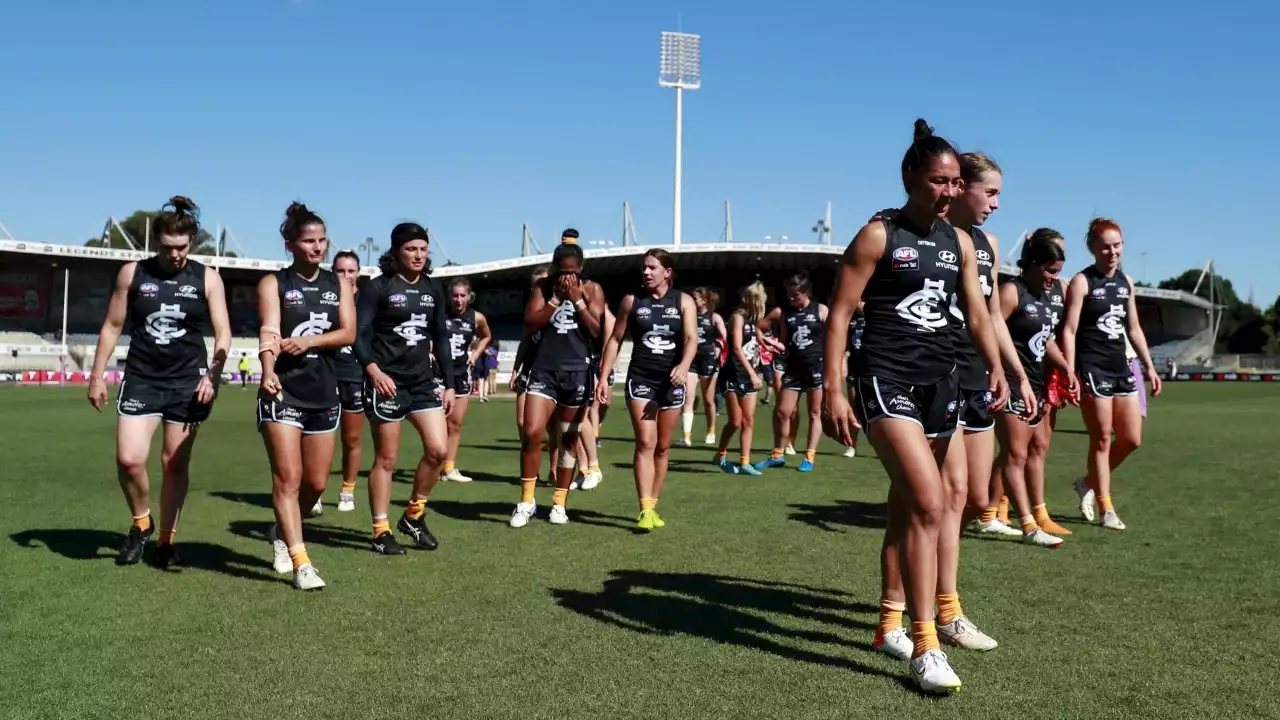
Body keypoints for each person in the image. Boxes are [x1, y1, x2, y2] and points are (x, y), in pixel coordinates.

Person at [821, 119, 1012, 694]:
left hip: (942, 385)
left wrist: (997, 366)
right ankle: (927, 647)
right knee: (931, 504)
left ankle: (888, 624)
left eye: (954, 182)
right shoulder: (879, 236)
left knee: (910, 505)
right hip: (886, 380)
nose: (948, 191)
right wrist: (833, 389)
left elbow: (978, 315)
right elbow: (840, 312)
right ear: (909, 178)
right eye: (937, 181)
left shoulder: (958, 243)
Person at [87, 196, 232, 568]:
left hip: (188, 382)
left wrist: (212, 376)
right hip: (141, 378)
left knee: (174, 463)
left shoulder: (207, 277)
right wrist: (97, 375)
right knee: (129, 458)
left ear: (192, 243)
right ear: (156, 243)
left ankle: (167, 541)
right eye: (168, 247)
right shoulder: (132, 273)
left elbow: (223, 334)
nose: (176, 254)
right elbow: (113, 325)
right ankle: (142, 522)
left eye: (182, 247)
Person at [256, 203, 355, 589]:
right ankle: (301, 561)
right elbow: (268, 330)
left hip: (323, 391)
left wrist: (309, 341)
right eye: (308, 241)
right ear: (290, 244)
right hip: (282, 391)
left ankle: (281, 530)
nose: (318, 247)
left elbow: (347, 333)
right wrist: (267, 371)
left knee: (315, 484)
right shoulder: (274, 283)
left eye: (322, 240)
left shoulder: (339, 284)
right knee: (289, 478)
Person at [354, 222, 456, 554]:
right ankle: (380, 531)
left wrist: (450, 384)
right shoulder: (377, 287)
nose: (419, 255)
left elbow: (441, 338)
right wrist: (373, 371)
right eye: (412, 249)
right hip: (387, 384)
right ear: (397, 251)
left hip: (423, 383)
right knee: (387, 458)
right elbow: (359, 334)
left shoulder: (433, 289)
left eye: (424, 249)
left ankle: (413, 515)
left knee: (439, 451)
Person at [1061, 218, 1162, 531]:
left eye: (1117, 244)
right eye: (1105, 245)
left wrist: (1149, 365)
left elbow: (1133, 328)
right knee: (1101, 438)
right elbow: (1070, 328)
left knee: (1131, 439)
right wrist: (1069, 369)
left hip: (1121, 367)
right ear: (1092, 247)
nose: (1112, 251)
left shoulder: (1126, 282)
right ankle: (1106, 507)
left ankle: (1087, 483)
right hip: (1093, 367)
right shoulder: (1082, 281)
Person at [510, 230, 606, 528]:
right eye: (561, 271)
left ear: (580, 270)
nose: (566, 277)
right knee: (532, 432)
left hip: (577, 371)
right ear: (553, 267)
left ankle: (559, 503)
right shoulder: (543, 288)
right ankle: (526, 501)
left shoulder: (592, 290)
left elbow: (596, 331)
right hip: (543, 370)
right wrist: (554, 299)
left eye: (572, 272)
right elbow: (530, 323)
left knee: (567, 440)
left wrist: (577, 301)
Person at [597, 249, 697, 530]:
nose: (646, 272)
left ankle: (653, 505)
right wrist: (603, 377)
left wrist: (684, 366)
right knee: (645, 442)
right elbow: (615, 339)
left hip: (672, 383)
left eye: (653, 267)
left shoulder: (683, 301)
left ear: (668, 272)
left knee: (663, 448)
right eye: (644, 267)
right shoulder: (632, 301)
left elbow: (691, 339)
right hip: (641, 379)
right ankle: (644, 509)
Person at [992, 232, 1068, 549]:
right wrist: (995, 372)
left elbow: (1045, 338)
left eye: (1058, 272)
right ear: (1034, 264)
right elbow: (990, 327)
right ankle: (1028, 524)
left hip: (1033, 385)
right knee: (1016, 454)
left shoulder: (1046, 297)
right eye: (1050, 271)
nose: (1054, 279)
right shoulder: (1012, 292)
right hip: (1009, 383)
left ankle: (987, 512)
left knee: (1020, 452)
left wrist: (1065, 366)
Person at [756, 273, 827, 472]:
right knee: (782, 412)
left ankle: (809, 456)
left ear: (805, 294)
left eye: (795, 295)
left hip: (816, 366)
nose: (791, 299)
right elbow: (762, 327)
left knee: (815, 413)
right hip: (793, 367)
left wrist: (837, 364)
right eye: (789, 295)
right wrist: (771, 343)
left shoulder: (820, 310)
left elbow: (835, 336)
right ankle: (777, 454)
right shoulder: (785, 312)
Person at [440, 278, 492, 483]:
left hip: (461, 372)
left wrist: (475, 354)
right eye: (455, 295)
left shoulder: (477, 318)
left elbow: (487, 336)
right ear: (449, 296)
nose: (459, 299)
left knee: (455, 424)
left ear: (469, 297)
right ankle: (433, 466)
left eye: (463, 295)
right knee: (437, 424)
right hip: (437, 374)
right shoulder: (439, 313)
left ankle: (449, 468)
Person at [713, 282, 767, 476]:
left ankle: (745, 463)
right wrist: (753, 373)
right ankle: (720, 455)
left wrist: (766, 342)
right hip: (733, 374)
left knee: (749, 421)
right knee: (735, 421)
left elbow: (752, 338)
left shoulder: (752, 320)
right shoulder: (737, 317)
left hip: (748, 374)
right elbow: (736, 346)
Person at [332, 250, 365, 513]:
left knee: (351, 438)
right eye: (340, 271)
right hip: (324, 376)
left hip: (355, 377)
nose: (346, 276)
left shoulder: (368, 301)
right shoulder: (322, 300)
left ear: (358, 273)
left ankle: (347, 490)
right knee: (315, 438)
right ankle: (314, 491)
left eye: (350, 271)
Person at [681, 288, 727, 447]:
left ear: (704, 300)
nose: (693, 300)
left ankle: (711, 431)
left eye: (696, 298)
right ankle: (686, 436)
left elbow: (725, 337)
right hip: (691, 360)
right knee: (688, 397)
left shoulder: (714, 317)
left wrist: (718, 346)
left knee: (708, 399)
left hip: (708, 360)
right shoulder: (688, 316)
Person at [842, 305, 865, 458]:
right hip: (854, 366)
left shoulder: (877, 316)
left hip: (873, 368)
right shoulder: (851, 320)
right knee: (853, 407)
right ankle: (852, 446)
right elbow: (844, 345)